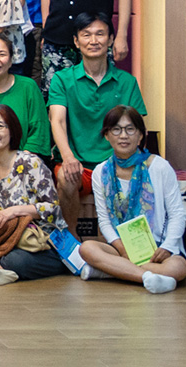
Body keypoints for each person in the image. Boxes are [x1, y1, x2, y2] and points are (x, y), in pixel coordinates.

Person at [49, 13, 146, 233]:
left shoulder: (127, 82)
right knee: (65, 176)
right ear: (76, 41)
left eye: (100, 34)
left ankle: (129, 244)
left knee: (143, 174)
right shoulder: (62, 79)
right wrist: (68, 157)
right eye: (86, 35)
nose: (93, 41)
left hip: (117, 162)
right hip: (78, 164)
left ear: (110, 39)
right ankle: (71, 243)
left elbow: (137, 129)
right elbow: (57, 120)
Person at [80, 106, 186, 294]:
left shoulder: (160, 167)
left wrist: (168, 247)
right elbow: (104, 221)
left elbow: (177, 214)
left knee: (179, 268)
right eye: (116, 129)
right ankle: (147, 277)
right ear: (107, 135)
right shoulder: (100, 172)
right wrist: (122, 249)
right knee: (87, 248)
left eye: (130, 129)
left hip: (158, 248)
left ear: (140, 135)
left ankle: (111, 271)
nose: (123, 136)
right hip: (122, 248)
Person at [0, 106, 65, 285]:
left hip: (39, 242)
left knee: (15, 261)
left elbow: (53, 208)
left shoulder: (31, 163)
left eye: (0, 126)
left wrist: (14, 211)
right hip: (2, 238)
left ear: (12, 130)